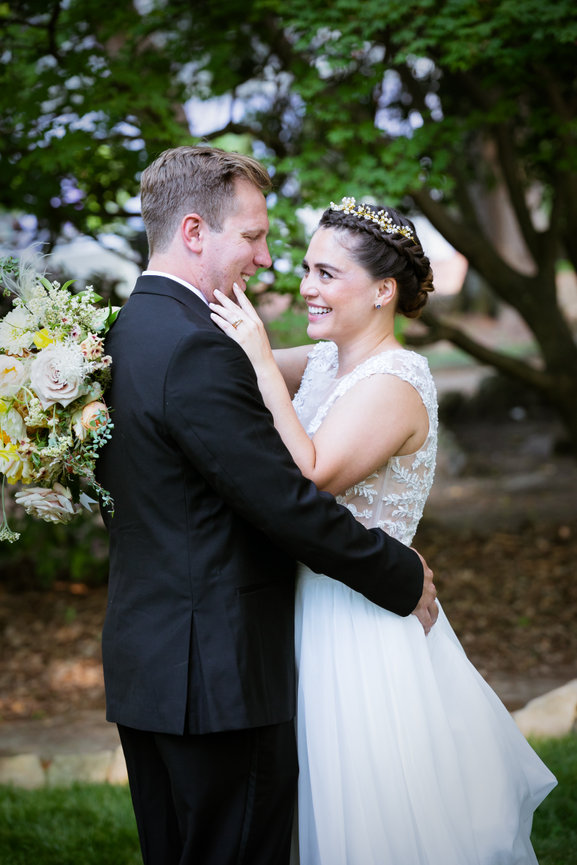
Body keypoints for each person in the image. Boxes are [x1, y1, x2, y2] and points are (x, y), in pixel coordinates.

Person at [96, 149, 438, 865]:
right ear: (195, 231)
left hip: (149, 660)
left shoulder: (125, 333)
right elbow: (284, 500)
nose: (265, 257)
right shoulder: (197, 347)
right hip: (218, 673)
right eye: (252, 236)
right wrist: (399, 574)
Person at [210, 196, 557, 864]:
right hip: (305, 605)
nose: (306, 287)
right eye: (307, 268)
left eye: (327, 274)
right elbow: (216, 365)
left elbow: (309, 475)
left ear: (382, 290)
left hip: (359, 622)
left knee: (367, 812)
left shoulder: (396, 381)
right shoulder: (320, 362)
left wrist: (257, 355)